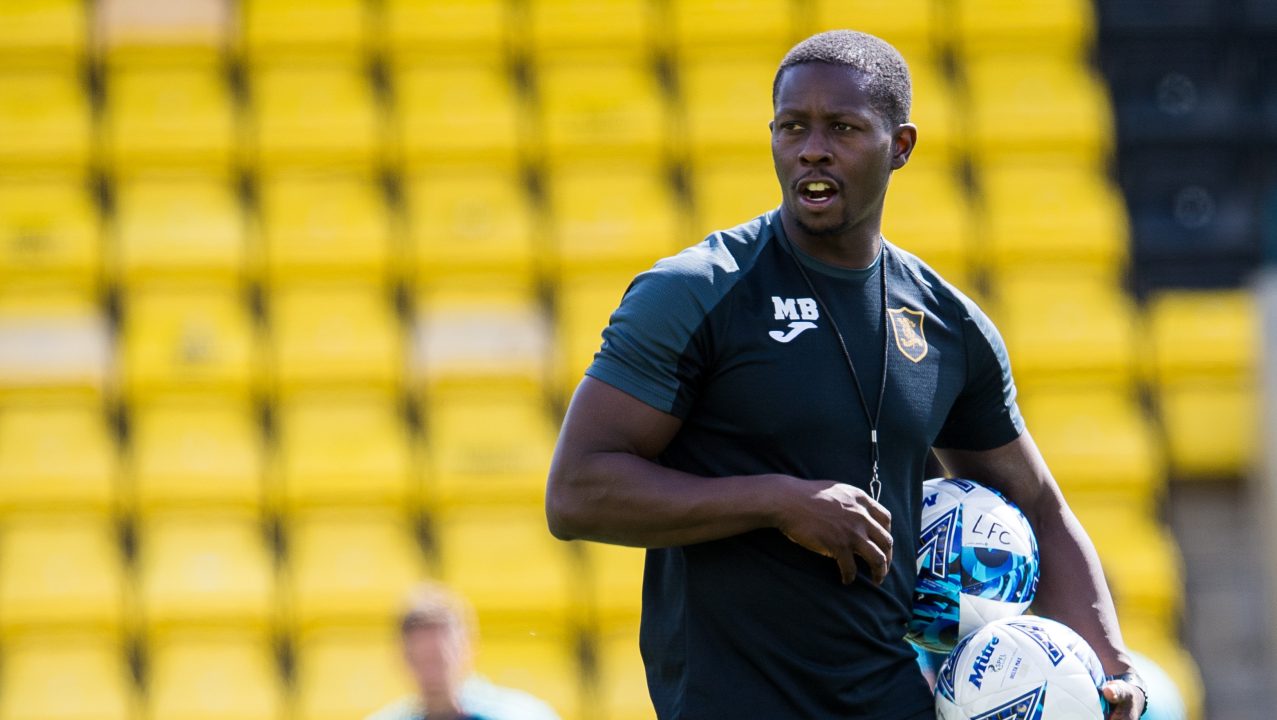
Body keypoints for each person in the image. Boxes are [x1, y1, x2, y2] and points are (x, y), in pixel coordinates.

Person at [546, 29, 1149, 720]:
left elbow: (1037, 504)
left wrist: (1110, 664)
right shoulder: (696, 291)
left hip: (895, 700)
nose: (811, 149)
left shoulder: (947, 324)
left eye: (843, 128)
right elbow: (576, 492)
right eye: (791, 127)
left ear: (900, 146)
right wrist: (778, 501)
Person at [365, 582, 560, 720]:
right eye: (421, 660)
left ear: (469, 648)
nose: (432, 676)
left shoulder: (523, 715)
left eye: (439, 659)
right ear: (403, 657)